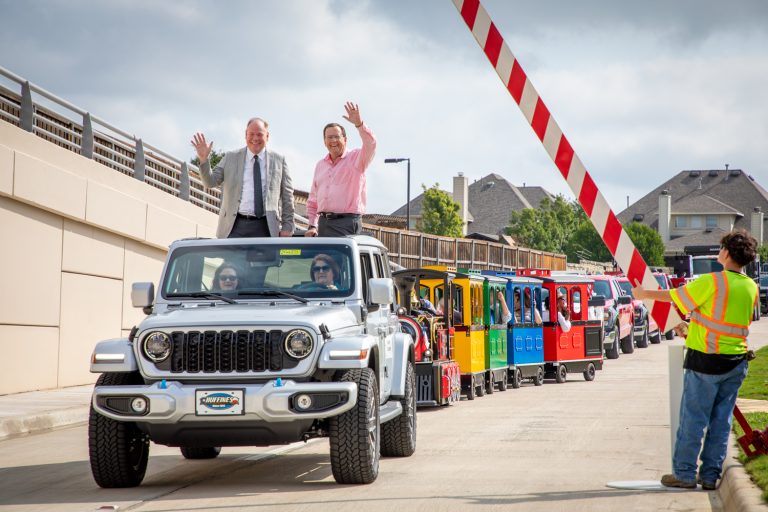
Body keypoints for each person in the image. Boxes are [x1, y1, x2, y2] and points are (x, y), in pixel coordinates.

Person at [632, 229, 758, 491]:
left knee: (693, 420)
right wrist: (691, 327)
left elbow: (676, 297)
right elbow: (723, 321)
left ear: (726, 253)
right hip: (736, 362)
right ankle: (710, 476)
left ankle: (685, 474)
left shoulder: (714, 281)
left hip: (705, 362)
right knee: (721, 423)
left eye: (721, 248)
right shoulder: (751, 287)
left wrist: (644, 294)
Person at [191, 118, 295, 238]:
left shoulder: (279, 160)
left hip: (266, 227)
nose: (255, 138)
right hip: (234, 226)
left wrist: (287, 226)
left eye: (260, 134)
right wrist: (204, 159)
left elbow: (288, 197)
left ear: (267, 136)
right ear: (245, 135)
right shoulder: (230, 157)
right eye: (251, 134)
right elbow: (210, 182)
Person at [305, 102, 376, 237]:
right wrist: (312, 225)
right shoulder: (320, 165)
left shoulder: (356, 159)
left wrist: (359, 124)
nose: (333, 140)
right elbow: (313, 200)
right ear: (324, 141)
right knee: (322, 258)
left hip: (347, 223)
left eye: (337, 136)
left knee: (342, 259)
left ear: (345, 139)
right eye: (329, 137)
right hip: (324, 224)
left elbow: (371, 144)